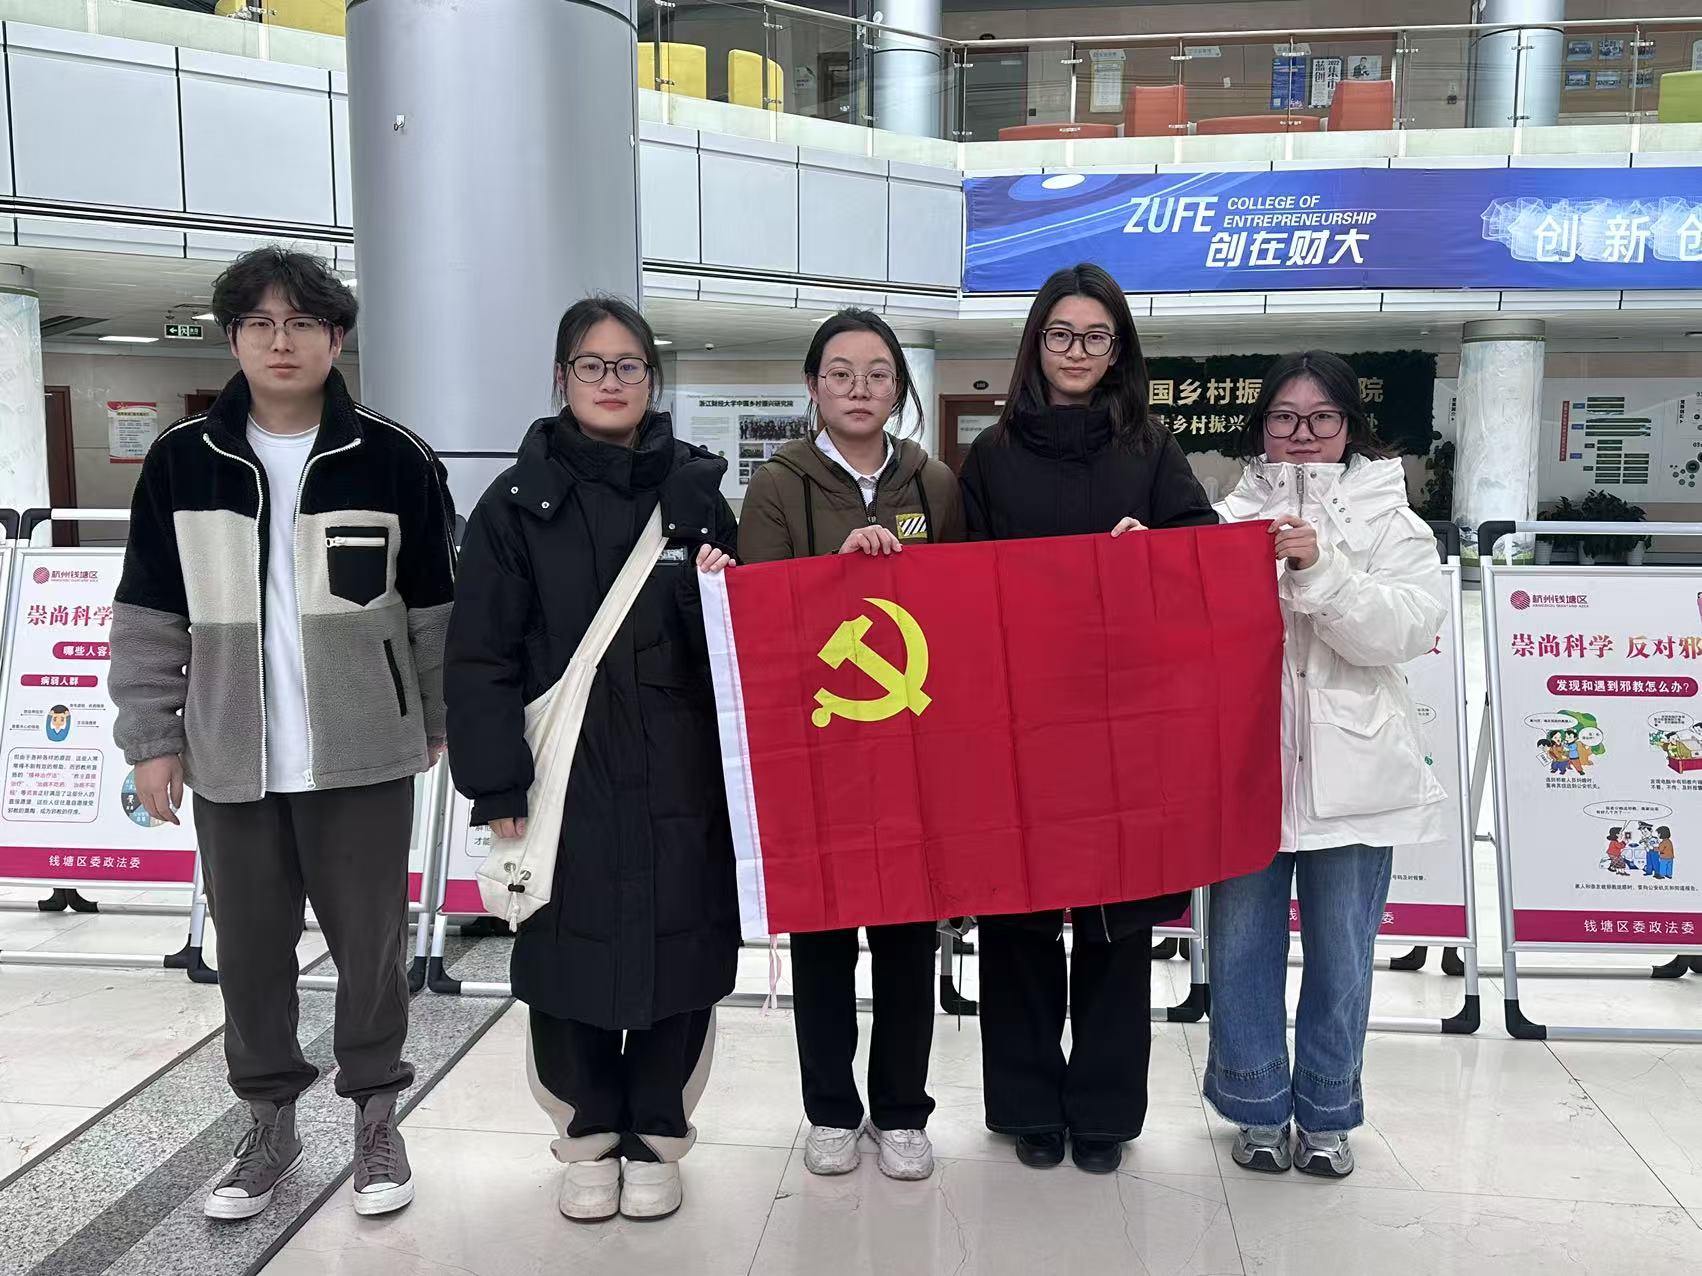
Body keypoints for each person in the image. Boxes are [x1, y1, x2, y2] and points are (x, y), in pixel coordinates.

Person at [110, 247, 456, 1221]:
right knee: (252, 956)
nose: (281, 340)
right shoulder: (184, 460)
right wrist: (152, 737)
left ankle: (376, 1121)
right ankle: (269, 1125)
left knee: (371, 953)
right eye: (259, 323)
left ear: (335, 338)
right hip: (231, 758)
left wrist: (435, 721)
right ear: (233, 339)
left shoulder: (392, 456)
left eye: (303, 322)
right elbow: (149, 613)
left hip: (364, 757)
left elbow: (435, 610)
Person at [443, 297, 739, 1224]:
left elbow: (734, 648)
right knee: (564, 960)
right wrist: (496, 781)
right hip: (562, 775)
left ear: (653, 379)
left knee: (680, 957)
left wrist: (722, 595)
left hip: (683, 773)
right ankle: (586, 1137)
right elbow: (480, 655)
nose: (611, 381)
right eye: (592, 364)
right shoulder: (513, 505)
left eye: (629, 365)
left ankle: (657, 1137)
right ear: (561, 378)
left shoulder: (697, 496)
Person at [959, 263, 1216, 1175]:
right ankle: (1027, 1104)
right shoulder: (991, 457)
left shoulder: (1151, 449)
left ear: (1118, 350)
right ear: (1037, 344)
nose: (1077, 351)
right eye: (1062, 334)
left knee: (1117, 922)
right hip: (1020, 720)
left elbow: (1203, 553)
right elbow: (958, 580)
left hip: (1123, 723)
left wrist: (1156, 553)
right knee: (1020, 919)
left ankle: (1104, 1111)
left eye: (1095, 336)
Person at [738, 308, 965, 1182]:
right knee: (825, 937)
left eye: (877, 374)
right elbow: (766, 614)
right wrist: (842, 569)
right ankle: (831, 1109)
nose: (859, 389)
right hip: (817, 748)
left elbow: (961, 604)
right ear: (813, 386)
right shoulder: (777, 484)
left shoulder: (934, 482)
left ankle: (902, 1110)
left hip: (912, 749)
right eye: (840, 373)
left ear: (898, 389)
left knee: (908, 937)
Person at [1208, 349, 1446, 1178]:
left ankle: (1328, 1111)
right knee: (1240, 947)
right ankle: (1254, 1106)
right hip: (1248, 768)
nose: (1302, 434)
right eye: (1284, 417)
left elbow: (1404, 629)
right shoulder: (1225, 516)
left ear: (1350, 426)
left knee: (1343, 955)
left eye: (1321, 417)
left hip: (1358, 772)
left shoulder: (1392, 521)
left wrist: (1321, 568)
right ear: (1261, 426)